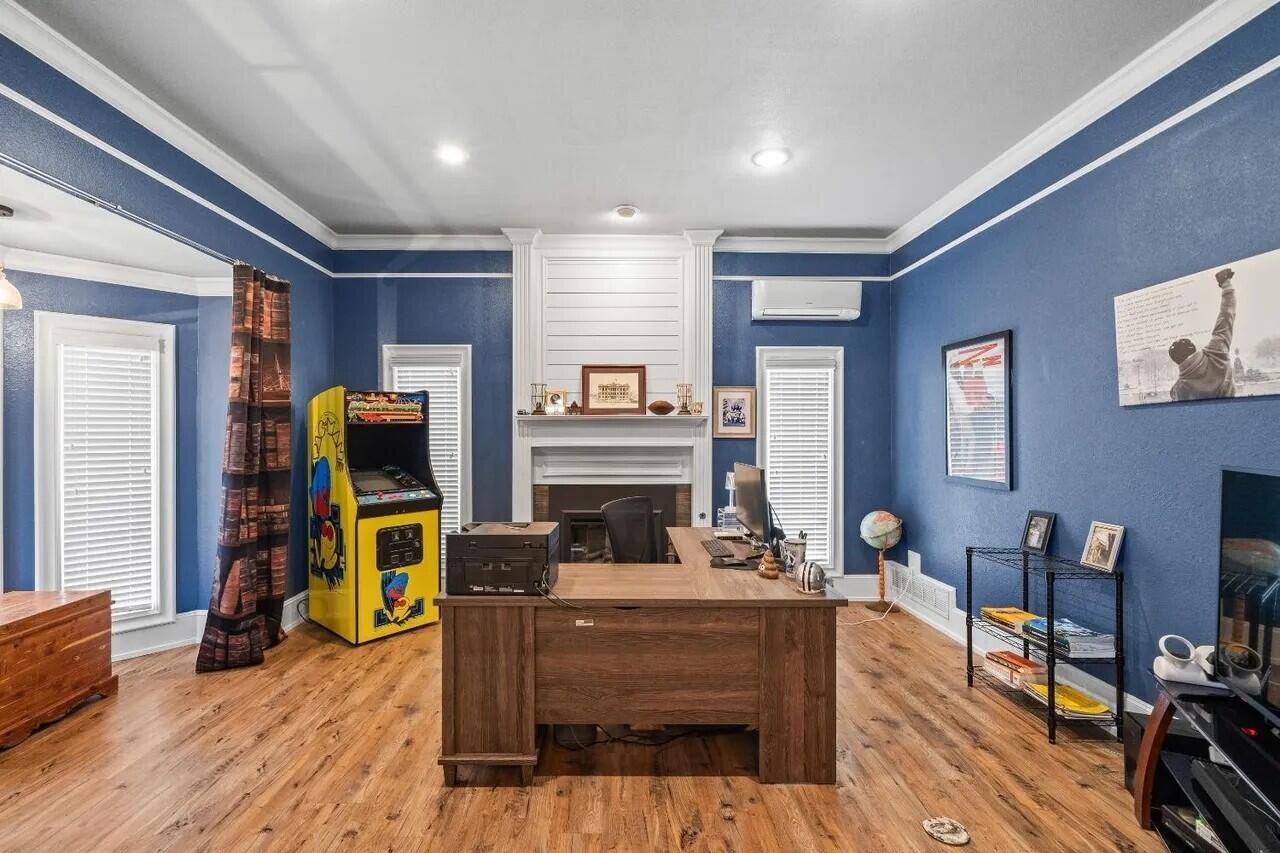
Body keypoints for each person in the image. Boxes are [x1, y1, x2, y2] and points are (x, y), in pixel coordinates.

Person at [1168, 268, 1236, 401]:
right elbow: (1227, 314)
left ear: (1177, 361)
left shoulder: (1179, 389)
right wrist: (1226, 283)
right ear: (1193, 348)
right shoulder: (1216, 353)